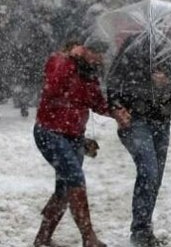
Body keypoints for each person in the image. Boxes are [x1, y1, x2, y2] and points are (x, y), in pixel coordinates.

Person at [106, 17, 171, 247]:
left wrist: (167, 81)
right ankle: (140, 231)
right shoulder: (133, 46)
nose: (166, 27)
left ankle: (144, 228)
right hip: (136, 119)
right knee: (148, 171)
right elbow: (113, 80)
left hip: (162, 119)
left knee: (155, 177)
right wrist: (116, 106)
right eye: (160, 23)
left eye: (169, 23)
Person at [33, 39, 131, 247]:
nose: (99, 58)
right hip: (50, 132)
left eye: (102, 55)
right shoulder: (59, 61)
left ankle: (43, 238)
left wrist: (115, 112)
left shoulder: (89, 74)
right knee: (75, 179)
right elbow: (52, 87)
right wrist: (69, 60)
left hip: (74, 136)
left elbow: (95, 102)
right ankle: (89, 237)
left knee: (64, 188)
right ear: (83, 50)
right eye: (95, 53)